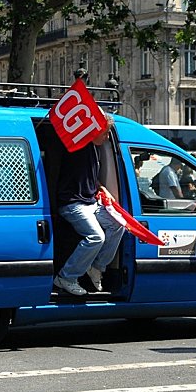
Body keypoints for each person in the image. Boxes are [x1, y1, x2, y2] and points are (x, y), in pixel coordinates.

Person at [53, 112, 125, 296]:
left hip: (90, 201)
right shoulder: (79, 145)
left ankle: (97, 267)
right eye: (105, 133)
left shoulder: (96, 149)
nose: (108, 137)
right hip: (72, 203)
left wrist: (103, 189)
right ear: (94, 130)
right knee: (96, 237)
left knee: (118, 224)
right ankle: (66, 277)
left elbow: (92, 179)